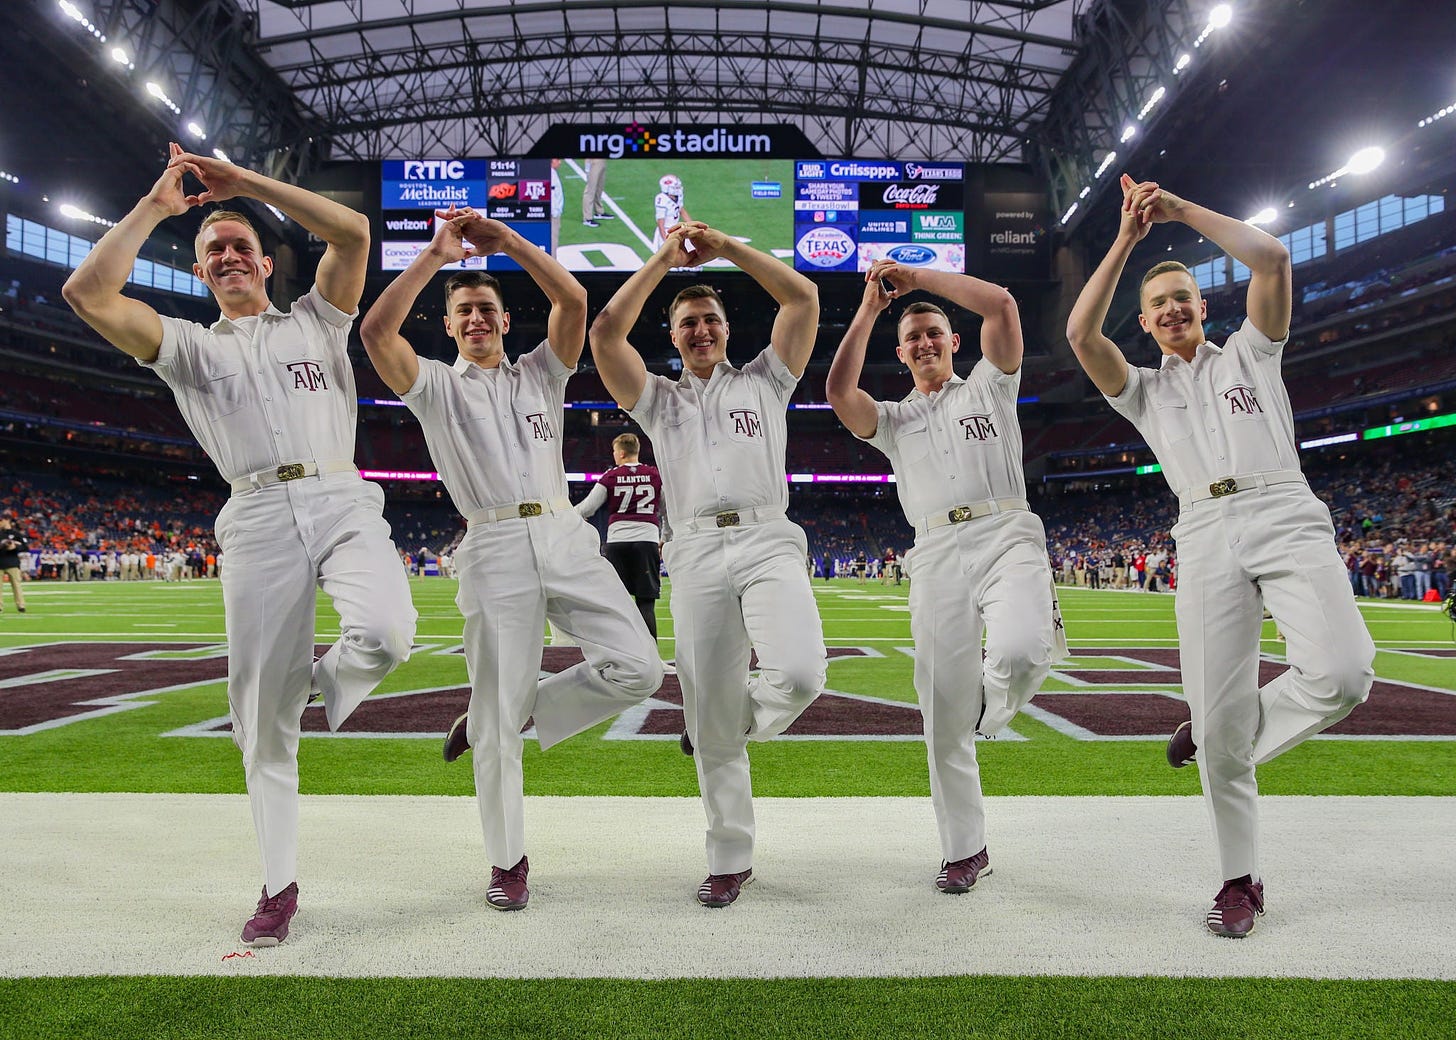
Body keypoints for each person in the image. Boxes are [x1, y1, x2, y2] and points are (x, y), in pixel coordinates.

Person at [61, 142, 418, 946]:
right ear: (200, 272)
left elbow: (356, 235)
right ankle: (279, 884)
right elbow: (86, 292)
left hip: (337, 493)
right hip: (254, 514)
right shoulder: (189, 346)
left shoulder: (318, 321)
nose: (228, 257)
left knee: (390, 633)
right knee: (261, 723)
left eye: (241, 247)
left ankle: (317, 684)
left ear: (268, 262)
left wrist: (243, 183)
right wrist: (158, 205)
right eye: (214, 250)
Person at [1065, 174, 1375, 938]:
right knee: (1225, 720)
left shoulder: (1252, 354)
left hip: (1281, 509)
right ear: (1144, 322)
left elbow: (1270, 259)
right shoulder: (1140, 390)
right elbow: (1079, 335)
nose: (1172, 309)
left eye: (1184, 298)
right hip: (1201, 530)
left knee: (1343, 673)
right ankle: (1239, 881)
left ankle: (1214, 730)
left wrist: (1177, 212)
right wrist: (1127, 239)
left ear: (1204, 308)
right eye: (1158, 304)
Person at [359, 207, 662, 912]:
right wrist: (436, 256)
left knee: (641, 667)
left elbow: (575, 301)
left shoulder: (539, 375)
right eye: (464, 311)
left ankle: (512, 713)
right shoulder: (434, 387)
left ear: (503, 319)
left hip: (562, 533)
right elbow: (375, 331)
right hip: (493, 544)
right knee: (497, 726)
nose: (476, 319)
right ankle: (507, 863)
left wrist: (511, 242)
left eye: (487, 309)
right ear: (450, 324)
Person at [589, 220, 827, 908]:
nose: (701, 330)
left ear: (727, 328)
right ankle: (730, 859)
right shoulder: (657, 401)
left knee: (802, 672)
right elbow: (605, 333)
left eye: (711, 319)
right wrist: (664, 258)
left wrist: (729, 249)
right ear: (673, 335)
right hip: (691, 549)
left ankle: (723, 723)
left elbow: (804, 301)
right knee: (709, 708)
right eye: (688, 322)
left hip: (765, 537)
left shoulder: (766, 380)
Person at [827, 261, 1064, 894]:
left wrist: (919, 282)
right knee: (940, 714)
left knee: (1017, 650)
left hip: (1006, 530)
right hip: (933, 550)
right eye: (914, 339)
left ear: (953, 342)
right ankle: (965, 849)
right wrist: (872, 311)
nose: (926, 342)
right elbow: (838, 394)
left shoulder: (989, 387)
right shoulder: (894, 420)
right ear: (900, 353)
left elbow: (1004, 307)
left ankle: (990, 707)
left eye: (934, 332)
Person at [573, 433, 669, 660]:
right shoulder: (655, 475)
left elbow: (587, 508)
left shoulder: (611, 476)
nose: (614, 455)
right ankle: (651, 659)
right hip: (646, 539)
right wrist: (664, 537)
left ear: (622, 452)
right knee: (646, 603)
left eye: (615, 452)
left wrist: (566, 519)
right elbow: (668, 512)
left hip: (617, 543)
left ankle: (619, 656)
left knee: (617, 604)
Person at [651, 175, 691, 251]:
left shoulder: (678, 196)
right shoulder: (662, 199)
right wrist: (665, 239)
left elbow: (681, 210)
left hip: (676, 228)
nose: (678, 189)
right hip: (666, 230)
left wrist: (692, 225)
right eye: (675, 187)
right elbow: (660, 223)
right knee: (665, 257)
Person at [0, 518, 27, 613]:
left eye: (1, 521)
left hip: (13, 563)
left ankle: (21, 605)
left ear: (7, 521)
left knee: (16, 585)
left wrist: (15, 547)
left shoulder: (16, 534)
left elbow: (25, 547)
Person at [581, 158, 611, 228]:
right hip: (592, 161)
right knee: (590, 189)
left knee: (599, 187)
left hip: (601, 160)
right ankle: (587, 218)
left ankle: (599, 211)